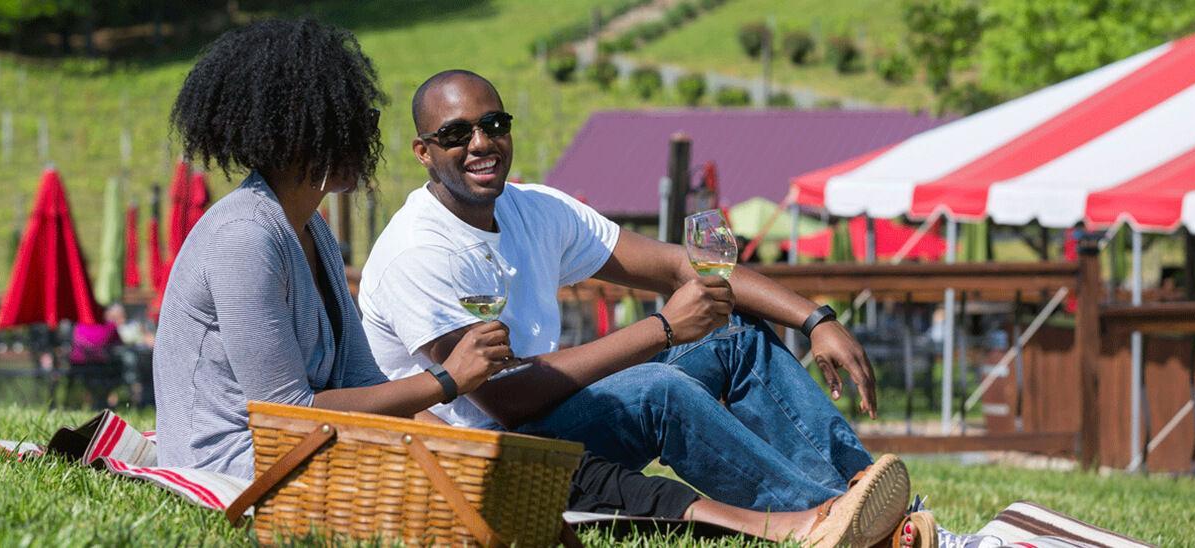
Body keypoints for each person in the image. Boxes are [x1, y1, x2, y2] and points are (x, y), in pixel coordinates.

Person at [358, 70, 909, 546]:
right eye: (457, 133)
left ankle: (875, 506)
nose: (481, 142)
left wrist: (815, 318)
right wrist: (663, 330)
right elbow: (505, 400)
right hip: (489, 461)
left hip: (552, 421)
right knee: (656, 389)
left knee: (734, 334)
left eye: (494, 124)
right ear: (424, 151)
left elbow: (680, 264)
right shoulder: (420, 251)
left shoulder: (536, 210)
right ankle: (841, 524)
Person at [151, 19, 515, 480]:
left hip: (314, 448)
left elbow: (362, 384)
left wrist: (459, 439)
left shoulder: (312, 230)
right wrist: (446, 380)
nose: (369, 137)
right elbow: (287, 414)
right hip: (234, 466)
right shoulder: (245, 237)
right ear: (294, 133)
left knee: (489, 467)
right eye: (353, 122)